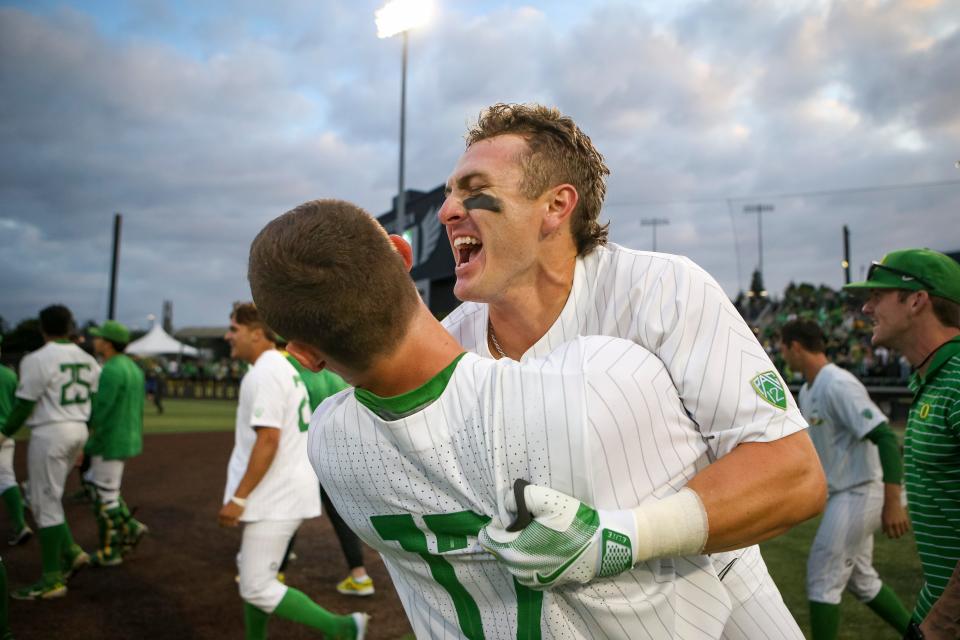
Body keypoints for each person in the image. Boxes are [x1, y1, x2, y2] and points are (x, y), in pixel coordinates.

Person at [248, 198, 823, 639]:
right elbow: (764, 499)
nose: (450, 210)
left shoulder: (329, 442)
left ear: (304, 350)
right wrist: (625, 536)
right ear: (402, 255)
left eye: (474, 191)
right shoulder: (607, 376)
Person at [438, 102, 823, 638]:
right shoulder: (449, 341)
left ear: (555, 206)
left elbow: (793, 475)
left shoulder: (661, 290)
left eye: (471, 188)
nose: (447, 211)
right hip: (550, 614)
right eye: (448, 193)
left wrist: (622, 538)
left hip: (713, 590)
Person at [219, 303, 367, 640]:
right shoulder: (279, 367)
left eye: (234, 329)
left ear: (257, 333)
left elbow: (268, 439)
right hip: (287, 487)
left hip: (275, 494)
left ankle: (343, 628)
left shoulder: (266, 372)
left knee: (256, 585)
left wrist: (239, 498)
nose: (229, 336)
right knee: (255, 577)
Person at [843, 248, 960, 639]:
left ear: (916, 300)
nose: (866, 307)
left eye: (878, 295)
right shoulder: (934, 379)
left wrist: (943, 620)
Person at [778, 319, 912, 639]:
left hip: (862, 491)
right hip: (846, 493)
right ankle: (922, 634)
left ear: (795, 346)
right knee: (861, 580)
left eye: (783, 348)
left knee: (822, 577)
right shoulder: (810, 388)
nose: (782, 355)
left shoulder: (837, 383)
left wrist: (893, 502)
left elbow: (885, 438)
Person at [0, 304, 99, 600]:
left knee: (45, 502)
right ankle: (70, 551)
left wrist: (4, 433)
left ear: (43, 328)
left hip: (51, 431)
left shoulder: (36, 359)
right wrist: (83, 442)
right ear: (70, 327)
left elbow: (25, 404)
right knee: (46, 496)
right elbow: (92, 402)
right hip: (77, 427)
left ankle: (52, 578)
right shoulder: (87, 358)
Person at [277, 339, 374, 597]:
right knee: (339, 516)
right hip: (334, 452)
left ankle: (277, 571)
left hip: (300, 451)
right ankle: (359, 574)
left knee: (290, 510)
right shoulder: (335, 366)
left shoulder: (287, 368)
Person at [83, 320, 148, 566]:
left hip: (110, 439)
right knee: (101, 488)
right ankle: (131, 526)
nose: (95, 341)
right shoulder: (132, 367)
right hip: (128, 436)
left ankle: (111, 551)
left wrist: (88, 442)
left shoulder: (110, 369)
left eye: (99, 337)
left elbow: (102, 409)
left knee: (105, 497)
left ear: (107, 343)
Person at [0, 336, 31, 546]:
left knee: (5, 479)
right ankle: (20, 525)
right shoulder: (9, 374)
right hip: (5, 433)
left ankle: (20, 526)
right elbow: (20, 405)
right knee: (6, 479)